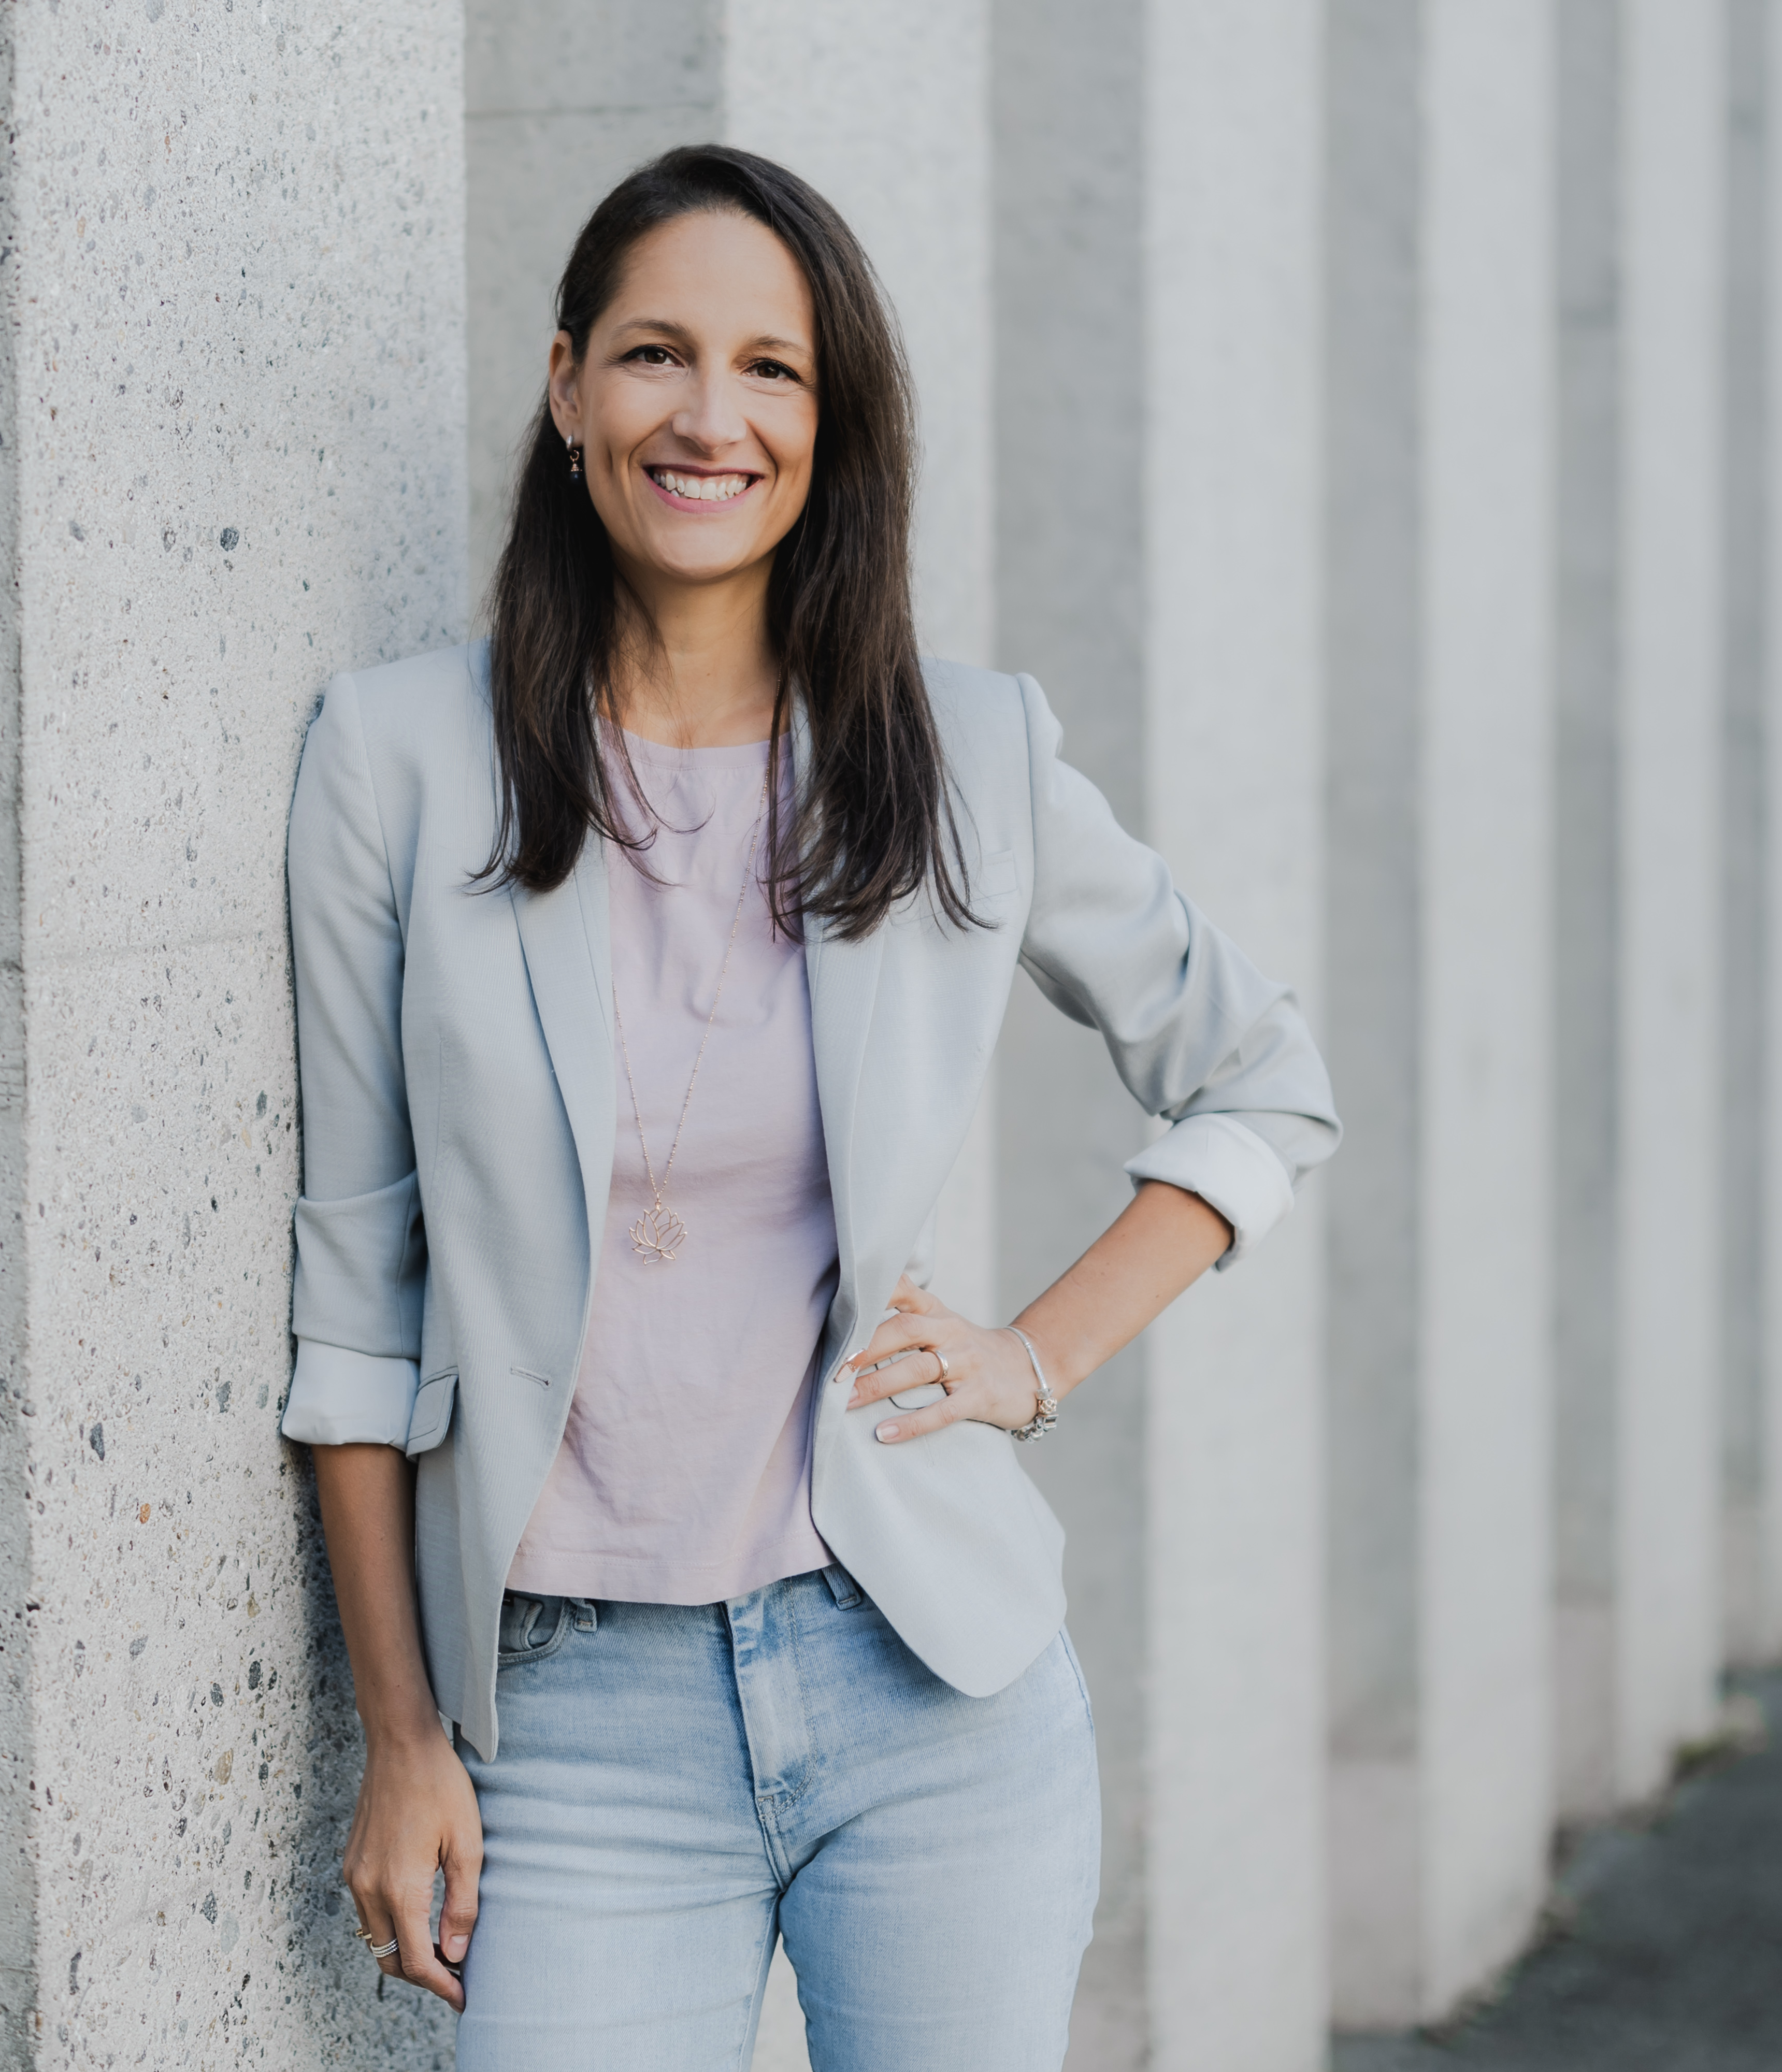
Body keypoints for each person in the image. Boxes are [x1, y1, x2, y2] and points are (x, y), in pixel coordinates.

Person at [280, 145, 1338, 2072]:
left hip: (927, 1687)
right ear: (565, 384)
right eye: (658, 355)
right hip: (569, 1722)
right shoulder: (398, 762)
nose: (711, 417)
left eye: (773, 370)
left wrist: (1035, 1356)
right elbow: (355, 1308)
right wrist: (403, 1737)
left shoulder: (968, 758)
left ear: (830, 425)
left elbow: (1262, 1077)